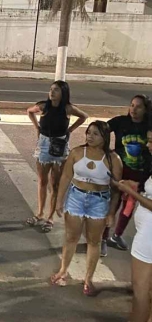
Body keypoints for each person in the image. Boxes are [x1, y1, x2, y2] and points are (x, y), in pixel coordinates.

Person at [50, 121, 122, 296]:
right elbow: (66, 176)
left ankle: (88, 278)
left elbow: (116, 190)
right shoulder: (76, 152)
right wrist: (59, 201)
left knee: (93, 241)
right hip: (76, 198)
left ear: (104, 137)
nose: (90, 136)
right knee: (71, 237)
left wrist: (112, 213)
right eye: (88, 133)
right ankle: (63, 271)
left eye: (95, 134)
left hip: (99, 202)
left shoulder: (114, 159)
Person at [26, 81, 88, 233]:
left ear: (63, 93)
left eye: (56, 90)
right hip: (44, 144)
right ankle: (40, 213)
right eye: (51, 89)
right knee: (42, 180)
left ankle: (50, 217)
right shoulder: (44, 106)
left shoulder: (67, 108)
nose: (52, 92)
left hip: (60, 145)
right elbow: (29, 111)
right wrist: (37, 128)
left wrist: (70, 130)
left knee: (55, 184)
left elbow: (84, 116)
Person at [102, 94, 151, 256]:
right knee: (113, 203)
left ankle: (117, 235)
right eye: (132, 105)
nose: (134, 110)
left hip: (140, 173)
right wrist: (107, 151)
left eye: (138, 107)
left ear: (146, 110)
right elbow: (102, 130)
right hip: (120, 170)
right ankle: (103, 238)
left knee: (129, 204)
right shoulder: (121, 122)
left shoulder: (148, 126)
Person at [113, 128, 152, 322]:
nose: (148, 145)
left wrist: (131, 192)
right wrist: (136, 185)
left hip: (149, 238)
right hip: (147, 233)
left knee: (140, 290)